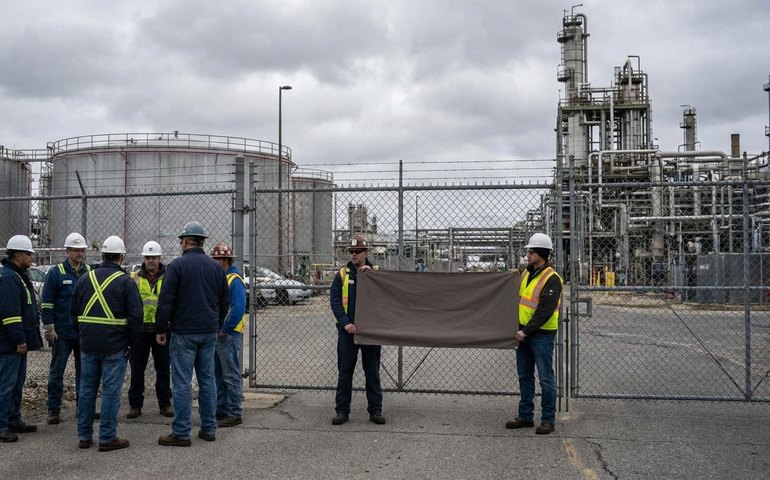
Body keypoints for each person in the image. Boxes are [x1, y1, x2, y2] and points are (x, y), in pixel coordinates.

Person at [155, 222, 229, 447]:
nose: (180, 244)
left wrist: (160, 328)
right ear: (202, 242)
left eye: (181, 241)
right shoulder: (215, 267)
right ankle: (209, 428)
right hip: (208, 331)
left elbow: (166, 301)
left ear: (186, 242)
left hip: (184, 332)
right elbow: (224, 301)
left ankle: (181, 432)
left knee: (182, 382)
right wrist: (217, 323)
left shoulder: (176, 266)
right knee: (207, 380)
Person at [71, 235, 142, 451]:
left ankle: (84, 436)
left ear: (102, 255)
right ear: (121, 257)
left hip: (88, 345)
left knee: (86, 389)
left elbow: (73, 313)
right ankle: (107, 437)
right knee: (111, 392)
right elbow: (136, 317)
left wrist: (82, 336)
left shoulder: (85, 279)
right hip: (114, 346)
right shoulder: (126, 282)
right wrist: (130, 342)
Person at [506, 233, 563, 435]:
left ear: (542, 254)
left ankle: (548, 420)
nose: (527, 254)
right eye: (528, 251)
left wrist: (525, 331)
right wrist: (514, 273)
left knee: (546, 378)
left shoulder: (552, 279)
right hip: (524, 332)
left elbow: (545, 311)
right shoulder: (527, 273)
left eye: (531, 252)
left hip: (541, 335)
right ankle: (525, 416)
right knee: (525, 376)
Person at [329, 233, 384, 426]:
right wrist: (345, 323)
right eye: (351, 251)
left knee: (372, 371)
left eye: (357, 251)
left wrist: (372, 277)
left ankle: (375, 410)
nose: (353, 254)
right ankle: (342, 410)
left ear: (365, 252)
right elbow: (335, 301)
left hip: (369, 333)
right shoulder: (342, 275)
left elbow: (386, 299)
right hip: (347, 332)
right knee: (345, 371)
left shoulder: (376, 273)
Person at [41, 232, 90, 425]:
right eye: (76, 250)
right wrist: (49, 328)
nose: (79, 253)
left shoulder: (87, 272)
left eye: (82, 250)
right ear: (67, 251)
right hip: (62, 333)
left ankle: (83, 408)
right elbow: (47, 302)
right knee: (57, 371)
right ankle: (53, 409)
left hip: (82, 332)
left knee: (84, 372)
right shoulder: (57, 272)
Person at [0, 235, 43, 442]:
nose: (31, 257)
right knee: (6, 385)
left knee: (17, 383)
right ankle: (2, 425)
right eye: (28, 254)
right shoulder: (9, 278)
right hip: (10, 345)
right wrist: (19, 340)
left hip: (16, 343)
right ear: (17, 255)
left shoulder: (18, 276)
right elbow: (10, 314)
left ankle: (13, 419)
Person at [126, 241, 172, 419]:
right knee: (137, 368)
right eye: (148, 257)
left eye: (154, 257)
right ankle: (135, 405)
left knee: (163, 368)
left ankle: (165, 403)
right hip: (141, 331)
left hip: (163, 329)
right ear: (143, 258)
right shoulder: (134, 278)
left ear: (160, 258)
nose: (151, 261)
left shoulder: (169, 277)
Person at [210, 242, 245, 428]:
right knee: (218, 374)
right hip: (219, 333)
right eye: (214, 259)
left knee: (230, 375)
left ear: (226, 260)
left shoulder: (234, 280)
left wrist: (224, 329)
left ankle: (234, 412)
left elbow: (238, 308)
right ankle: (221, 410)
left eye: (218, 260)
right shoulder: (221, 278)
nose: (215, 263)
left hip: (229, 334)